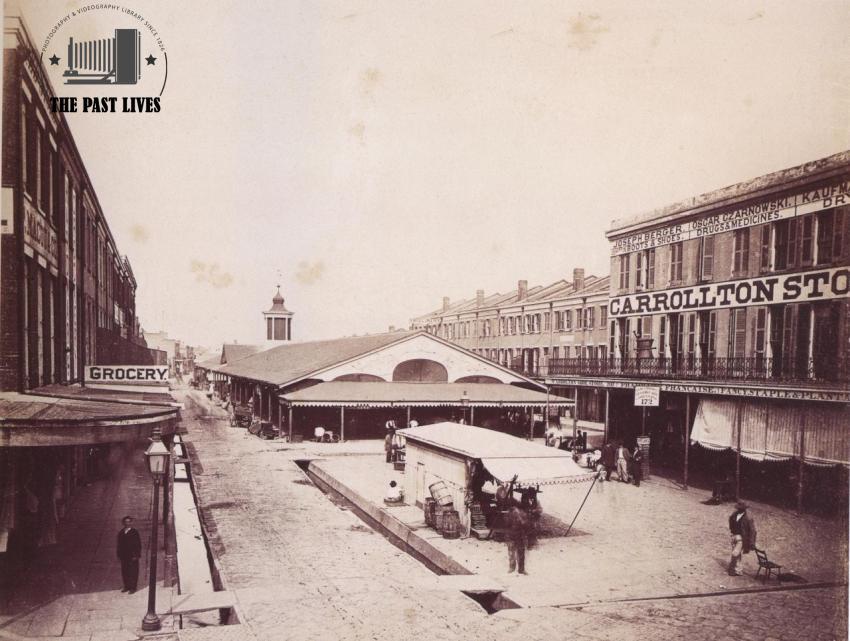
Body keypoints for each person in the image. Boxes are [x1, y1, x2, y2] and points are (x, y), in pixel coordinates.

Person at [727, 501, 757, 576]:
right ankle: (738, 570)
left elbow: (753, 531)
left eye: (740, 508)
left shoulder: (748, 518)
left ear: (744, 509)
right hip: (734, 536)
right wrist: (732, 531)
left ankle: (732, 569)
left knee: (735, 553)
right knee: (737, 555)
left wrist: (752, 542)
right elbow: (731, 521)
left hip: (741, 538)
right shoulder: (734, 514)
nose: (738, 509)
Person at [117, 516, 142, 593]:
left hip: (132, 555)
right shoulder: (121, 532)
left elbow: (138, 544)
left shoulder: (134, 532)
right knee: (125, 571)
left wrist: (136, 555)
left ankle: (133, 588)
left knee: (133, 571)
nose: (127, 523)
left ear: (131, 523)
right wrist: (118, 554)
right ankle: (127, 586)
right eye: (125, 522)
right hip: (124, 555)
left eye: (128, 522)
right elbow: (119, 544)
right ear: (123, 523)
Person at [506, 503, 529, 575]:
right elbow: (506, 525)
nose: (516, 512)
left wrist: (521, 520)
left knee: (521, 553)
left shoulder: (523, 515)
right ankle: (512, 567)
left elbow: (526, 525)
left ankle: (521, 569)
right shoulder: (509, 515)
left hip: (520, 536)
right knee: (511, 553)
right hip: (512, 535)